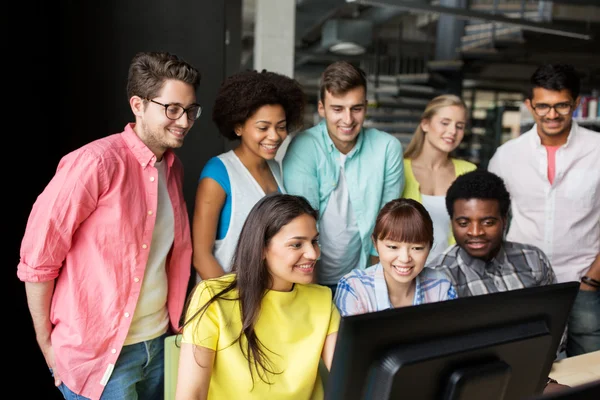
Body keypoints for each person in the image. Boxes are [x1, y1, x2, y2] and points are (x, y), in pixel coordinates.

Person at [17, 51, 200, 400]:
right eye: (172, 108)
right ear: (138, 104)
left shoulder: (172, 169)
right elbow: (38, 261)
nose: (185, 120)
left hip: (160, 345)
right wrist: (45, 343)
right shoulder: (94, 163)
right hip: (101, 358)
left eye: (191, 110)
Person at [176, 193, 340, 400]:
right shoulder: (213, 297)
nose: (313, 254)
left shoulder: (322, 300)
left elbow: (350, 376)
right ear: (261, 248)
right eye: (297, 244)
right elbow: (192, 395)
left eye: (314, 242)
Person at [488, 63, 600, 357]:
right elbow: (493, 220)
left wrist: (592, 280)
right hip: (524, 283)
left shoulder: (598, 150)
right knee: (525, 368)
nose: (552, 115)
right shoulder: (507, 156)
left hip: (582, 283)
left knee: (588, 373)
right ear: (529, 105)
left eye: (562, 105)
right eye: (543, 106)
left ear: (576, 103)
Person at [428, 169, 569, 393]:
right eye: (463, 223)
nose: (476, 232)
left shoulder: (533, 259)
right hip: (476, 386)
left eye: (488, 222)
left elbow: (557, 327)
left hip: (543, 371)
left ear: (504, 220)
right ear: (452, 222)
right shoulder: (437, 278)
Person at [282, 61, 404, 295]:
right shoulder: (303, 147)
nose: (347, 120)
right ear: (321, 108)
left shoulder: (387, 148)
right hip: (308, 276)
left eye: (356, 108)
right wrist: (314, 298)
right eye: (337, 109)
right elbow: (302, 223)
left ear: (366, 107)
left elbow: (385, 227)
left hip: (363, 277)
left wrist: (370, 291)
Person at [192, 69, 305, 282]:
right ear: (238, 127)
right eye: (263, 127)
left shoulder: (276, 169)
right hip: (226, 305)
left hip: (266, 302)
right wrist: (234, 305)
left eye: (281, 127)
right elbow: (201, 256)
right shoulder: (218, 173)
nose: (274, 136)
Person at [334, 198, 457, 317]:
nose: (404, 259)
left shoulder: (441, 285)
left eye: (417, 248)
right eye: (393, 247)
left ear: (429, 247)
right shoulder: (354, 288)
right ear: (375, 244)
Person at [402, 94, 477, 262]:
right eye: (445, 123)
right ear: (425, 124)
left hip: (454, 274)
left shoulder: (468, 172)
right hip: (405, 273)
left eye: (460, 126)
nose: (452, 131)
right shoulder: (399, 169)